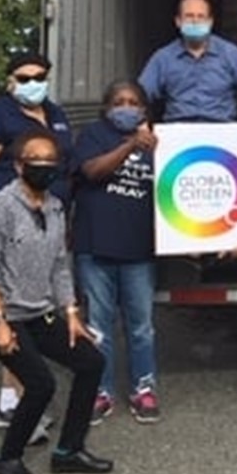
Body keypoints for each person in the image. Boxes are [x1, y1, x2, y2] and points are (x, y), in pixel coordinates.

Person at [0, 130, 113, 474]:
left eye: (52, 163)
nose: (45, 168)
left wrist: (72, 314)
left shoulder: (54, 207)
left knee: (91, 362)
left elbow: (60, 266)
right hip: (1, 315)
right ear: (19, 166)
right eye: (36, 162)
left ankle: (69, 451)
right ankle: (7, 457)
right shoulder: (2, 206)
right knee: (40, 384)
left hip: (39, 311)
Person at [0, 49, 74, 439]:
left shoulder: (55, 115)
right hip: (7, 232)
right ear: (10, 80)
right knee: (10, 315)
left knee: (30, 314)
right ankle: (10, 404)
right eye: (23, 78)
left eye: (39, 75)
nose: (32, 83)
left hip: (44, 231)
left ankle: (19, 397)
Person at [70, 80, 162, 425]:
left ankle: (144, 388)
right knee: (98, 327)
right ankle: (101, 391)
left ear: (144, 109)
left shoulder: (158, 141)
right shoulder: (92, 134)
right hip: (95, 247)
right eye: (119, 102)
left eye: (134, 102)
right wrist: (130, 146)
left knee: (141, 327)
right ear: (107, 107)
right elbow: (92, 171)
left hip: (140, 249)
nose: (126, 107)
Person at [137, 0, 237, 129]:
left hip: (222, 133)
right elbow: (138, 97)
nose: (195, 21)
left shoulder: (230, 53)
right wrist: (143, 130)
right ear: (178, 21)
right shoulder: (163, 58)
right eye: (189, 16)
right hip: (177, 135)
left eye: (201, 16)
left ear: (210, 22)